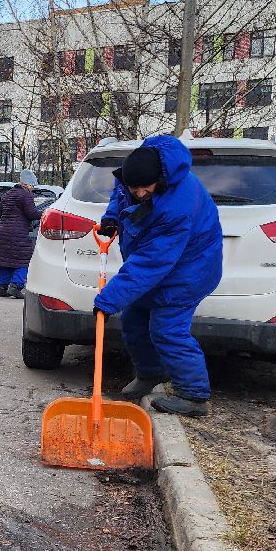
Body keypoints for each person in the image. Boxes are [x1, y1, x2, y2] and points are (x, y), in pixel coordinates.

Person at [93, 135, 223, 417]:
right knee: (134, 321)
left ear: (160, 179)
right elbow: (121, 193)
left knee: (167, 330)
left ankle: (194, 395)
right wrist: (112, 217)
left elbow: (151, 262)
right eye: (134, 188)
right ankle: (150, 373)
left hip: (189, 270)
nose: (139, 193)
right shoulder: (137, 170)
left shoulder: (176, 207)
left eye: (145, 189)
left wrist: (109, 298)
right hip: (160, 266)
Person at [0, 170, 41, 298]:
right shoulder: (25, 196)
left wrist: (6, 224)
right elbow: (32, 214)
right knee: (23, 260)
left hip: (2, 233)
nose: (33, 189)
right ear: (28, 185)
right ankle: (16, 287)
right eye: (33, 186)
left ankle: (0, 288)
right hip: (18, 234)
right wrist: (45, 214)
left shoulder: (8, 194)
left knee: (5, 261)